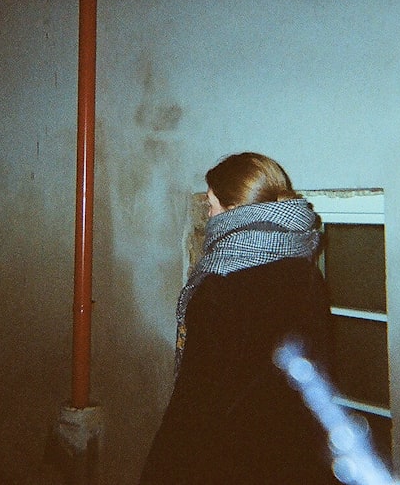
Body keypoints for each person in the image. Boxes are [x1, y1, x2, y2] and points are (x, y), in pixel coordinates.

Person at [139, 152, 338, 484]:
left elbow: (194, 402)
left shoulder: (219, 287)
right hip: (294, 450)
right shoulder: (307, 274)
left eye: (212, 205)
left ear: (235, 211)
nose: (208, 214)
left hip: (230, 458)